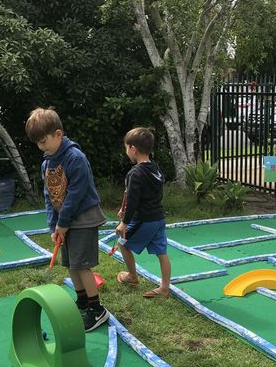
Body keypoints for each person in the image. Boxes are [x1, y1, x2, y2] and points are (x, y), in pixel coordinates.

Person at [25, 107, 109, 331]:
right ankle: (82, 300)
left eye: (44, 141)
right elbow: (49, 196)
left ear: (58, 134)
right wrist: (54, 225)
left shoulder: (75, 158)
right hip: (65, 220)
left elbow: (75, 194)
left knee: (82, 265)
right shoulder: (47, 163)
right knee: (70, 264)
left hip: (83, 219)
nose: (41, 147)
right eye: (38, 143)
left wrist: (63, 222)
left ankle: (96, 308)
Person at [115, 127, 172, 298]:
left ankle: (132, 276)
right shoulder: (156, 169)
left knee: (122, 244)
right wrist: (124, 209)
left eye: (126, 148)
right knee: (162, 253)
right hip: (158, 218)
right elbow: (147, 194)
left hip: (144, 220)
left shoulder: (135, 173)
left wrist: (124, 222)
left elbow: (133, 200)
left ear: (133, 148)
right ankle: (164, 288)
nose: (127, 152)